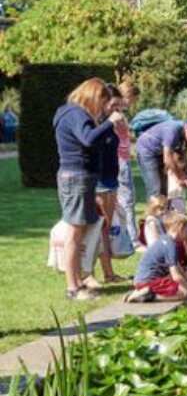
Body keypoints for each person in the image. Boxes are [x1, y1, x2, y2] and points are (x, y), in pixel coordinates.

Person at [52, 77, 121, 300]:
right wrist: (110, 122)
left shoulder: (70, 112)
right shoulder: (75, 114)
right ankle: (73, 287)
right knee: (75, 231)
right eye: (102, 102)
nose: (101, 108)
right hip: (76, 177)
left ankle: (78, 281)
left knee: (80, 230)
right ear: (93, 96)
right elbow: (88, 139)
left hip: (79, 176)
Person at [94, 88, 130, 284]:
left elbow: (123, 149)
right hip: (100, 181)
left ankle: (109, 273)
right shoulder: (98, 124)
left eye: (119, 106)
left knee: (105, 227)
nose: (117, 109)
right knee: (100, 227)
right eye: (113, 105)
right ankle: (99, 273)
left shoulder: (113, 124)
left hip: (111, 179)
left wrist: (122, 129)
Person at [125, 211, 187, 304]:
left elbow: (177, 269)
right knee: (184, 293)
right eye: (186, 230)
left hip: (142, 280)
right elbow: (176, 277)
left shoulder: (164, 239)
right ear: (180, 227)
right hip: (149, 282)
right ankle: (148, 295)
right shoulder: (171, 245)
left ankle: (141, 292)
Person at [135, 117, 187, 200]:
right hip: (146, 151)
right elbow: (167, 159)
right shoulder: (172, 132)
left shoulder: (183, 132)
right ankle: (152, 212)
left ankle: (164, 212)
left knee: (164, 190)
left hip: (158, 151)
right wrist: (182, 178)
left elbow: (181, 155)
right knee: (154, 189)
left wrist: (185, 175)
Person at [115, 78, 140, 245]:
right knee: (127, 199)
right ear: (128, 96)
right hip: (120, 161)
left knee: (125, 199)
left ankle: (127, 235)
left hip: (122, 159)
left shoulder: (119, 114)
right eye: (134, 99)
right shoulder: (116, 114)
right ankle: (132, 238)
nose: (134, 103)